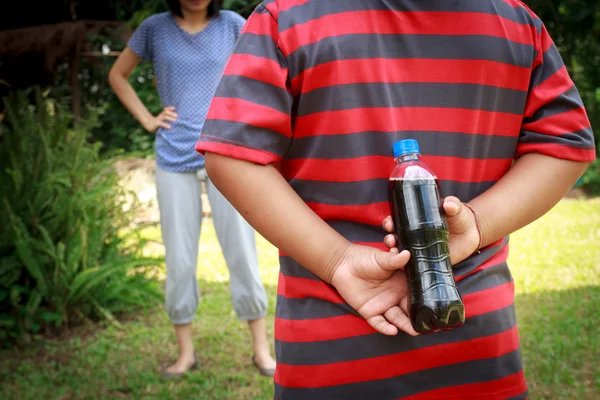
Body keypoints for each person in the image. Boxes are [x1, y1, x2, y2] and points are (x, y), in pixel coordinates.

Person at [194, 0, 596, 398]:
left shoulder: (288, 15)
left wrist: (338, 260)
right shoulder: (514, 20)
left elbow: (232, 156)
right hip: (475, 335)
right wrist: (473, 224)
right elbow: (564, 147)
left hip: (330, 347)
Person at [108, 0, 276, 379]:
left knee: (242, 253)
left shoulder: (234, 24)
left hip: (225, 152)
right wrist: (149, 120)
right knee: (180, 260)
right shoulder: (154, 28)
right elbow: (117, 75)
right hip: (173, 157)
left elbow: (262, 72)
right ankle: (185, 354)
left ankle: (261, 351)